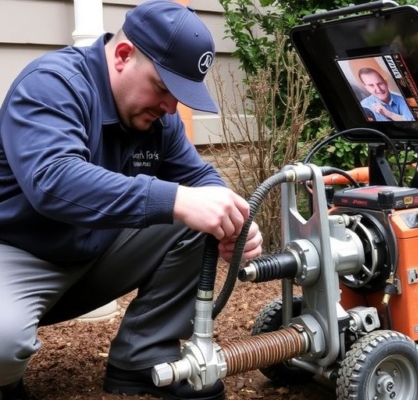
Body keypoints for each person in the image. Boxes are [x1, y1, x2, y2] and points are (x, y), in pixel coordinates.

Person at [0, 1, 263, 400]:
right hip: (20, 253)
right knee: (3, 342)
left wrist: (235, 216)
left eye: (180, 94)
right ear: (124, 56)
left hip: (92, 251)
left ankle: (143, 358)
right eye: (163, 88)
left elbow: (201, 180)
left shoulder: (158, 118)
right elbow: (52, 180)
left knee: (203, 215)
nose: (171, 107)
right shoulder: (52, 84)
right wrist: (176, 199)